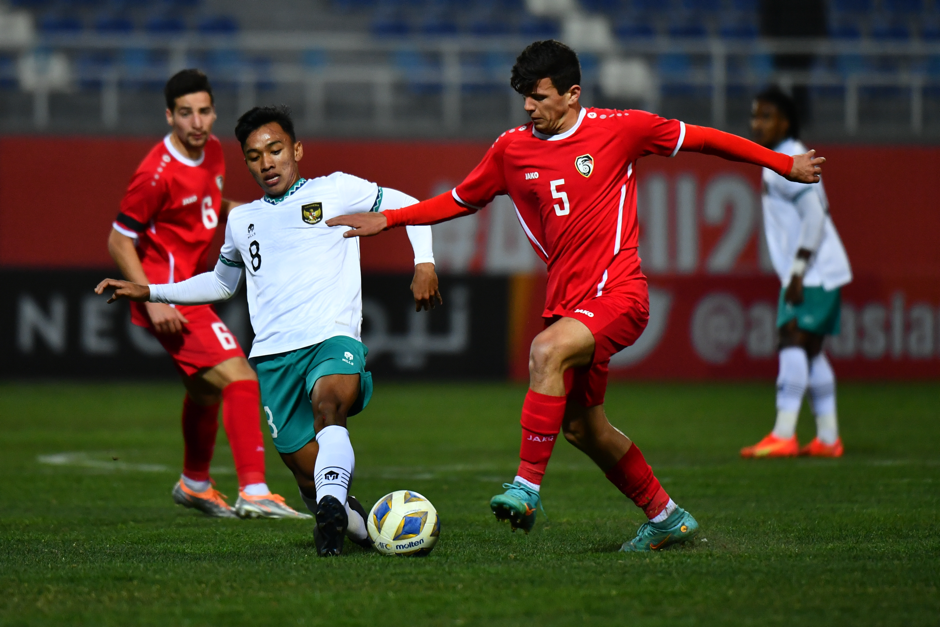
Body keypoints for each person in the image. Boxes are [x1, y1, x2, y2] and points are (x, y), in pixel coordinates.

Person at [327, 40, 825, 552]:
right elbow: (460, 199)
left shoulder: (621, 129)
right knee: (585, 429)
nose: (528, 106)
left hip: (620, 294)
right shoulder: (511, 149)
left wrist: (782, 164)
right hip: (568, 304)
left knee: (546, 351)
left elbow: (704, 139)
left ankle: (525, 488)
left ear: (572, 94)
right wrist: (391, 219)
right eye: (524, 96)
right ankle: (667, 517)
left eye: (539, 96)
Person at [97, 105, 440, 556]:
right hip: (275, 357)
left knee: (329, 407)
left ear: (296, 150)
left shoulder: (335, 189)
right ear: (246, 163)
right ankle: (354, 526)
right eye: (255, 156)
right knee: (307, 476)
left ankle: (332, 510)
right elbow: (222, 283)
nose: (267, 162)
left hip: (332, 337)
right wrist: (151, 291)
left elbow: (409, 203)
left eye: (275, 150)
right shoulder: (243, 220)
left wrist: (424, 262)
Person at [108, 69, 307, 519]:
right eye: (185, 113)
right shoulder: (154, 174)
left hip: (188, 291)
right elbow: (119, 240)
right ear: (169, 116)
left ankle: (194, 483)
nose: (196, 122)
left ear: (214, 112)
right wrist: (153, 301)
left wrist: (253, 213)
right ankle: (254, 490)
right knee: (240, 379)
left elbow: (207, 206)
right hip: (170, 297)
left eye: (203, 111)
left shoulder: (214, 150)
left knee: (204, 392)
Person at [740, 86, 852, 459]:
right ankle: (828, 438)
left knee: (790, 339)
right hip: (821, 269)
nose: (757, 123)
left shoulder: (788, 160)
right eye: (755, 115)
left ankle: (784, 434)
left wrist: (799, 271)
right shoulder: (782, 157)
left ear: (785, 122)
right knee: (812, 352)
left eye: (766, 116)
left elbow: (815, 217)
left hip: (812, 272)